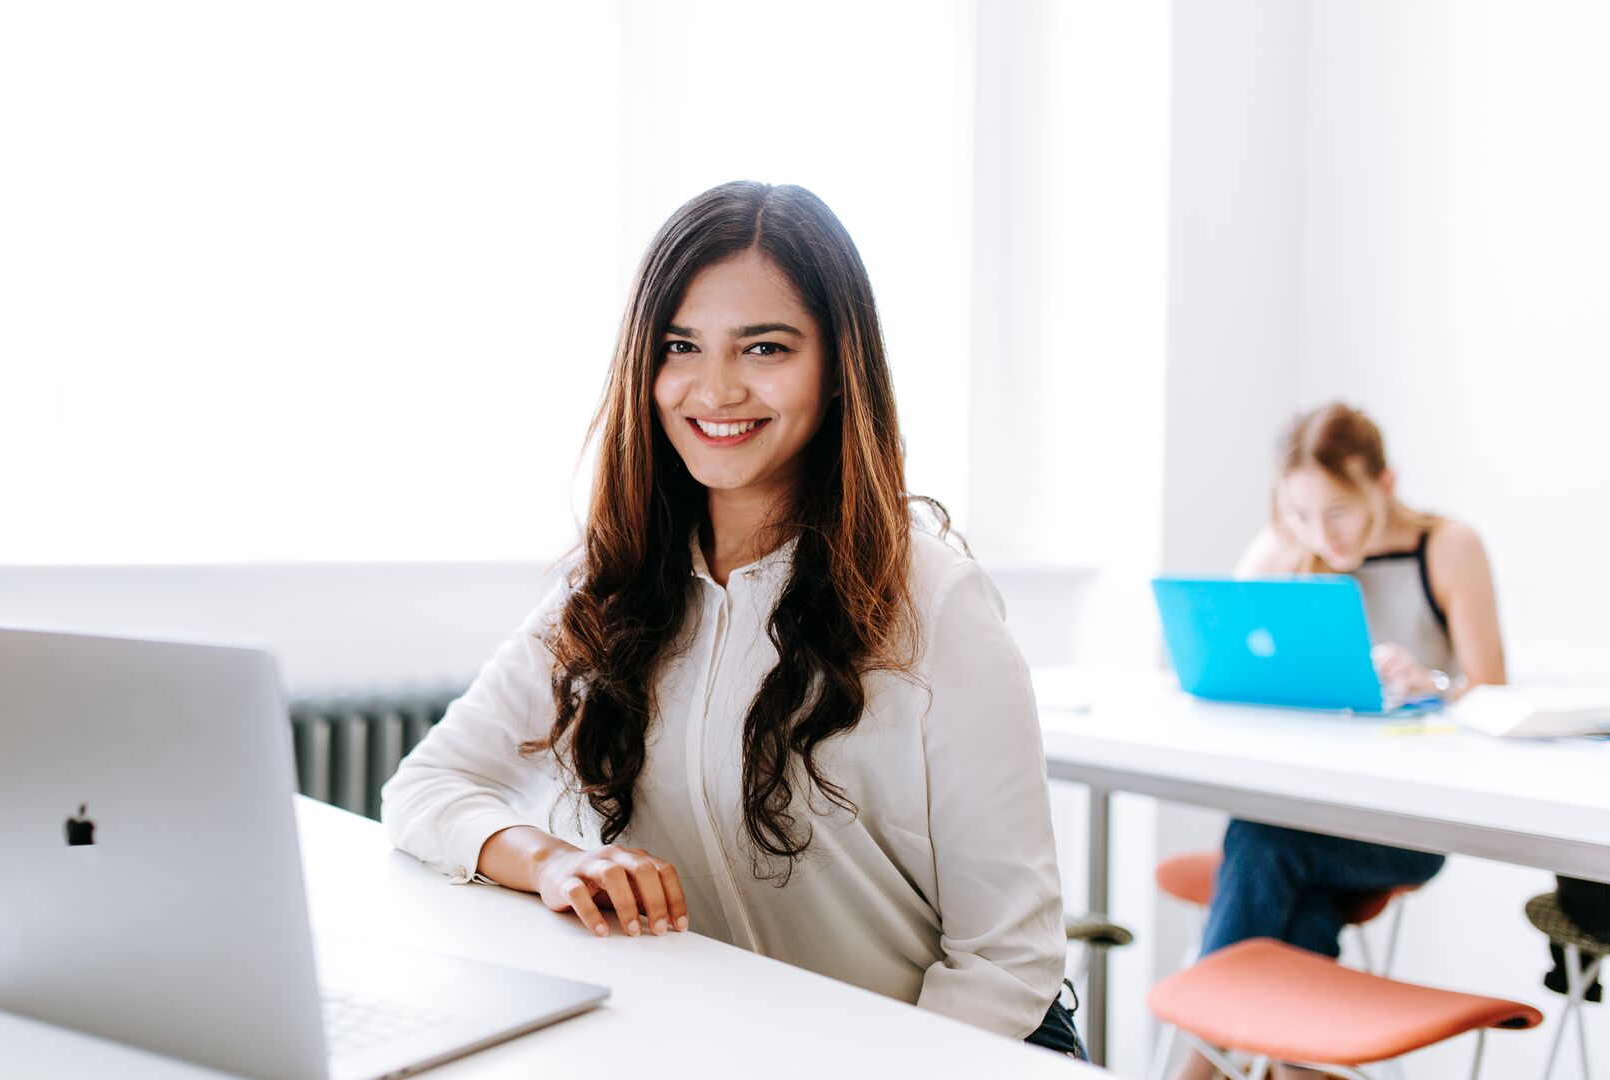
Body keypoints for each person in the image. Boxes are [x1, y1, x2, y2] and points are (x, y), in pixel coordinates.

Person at [380, 181, 1075, 1054]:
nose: (715, 388)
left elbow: (1007, 961)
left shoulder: (936, 602)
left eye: (765, 348)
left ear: (836, 371)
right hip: (722, 1045)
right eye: (681, 346)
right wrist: (553, 859)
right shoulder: (611, 582)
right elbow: (423, 790)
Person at [1175, 401, 1507, 1080]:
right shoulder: (1292, 549)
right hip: (1309, 811)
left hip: (1406, 826)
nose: (1319, 533)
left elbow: (1494, 691)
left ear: (1382, 485)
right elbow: (1220, 660)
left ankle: (1197, 1068)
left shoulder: (1446, 547)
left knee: (1263, 838)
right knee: (1300, 909)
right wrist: (1277, 550)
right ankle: (1299, 1067)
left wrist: (1432, 683)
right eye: (1299, 514)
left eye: (1337, 512)